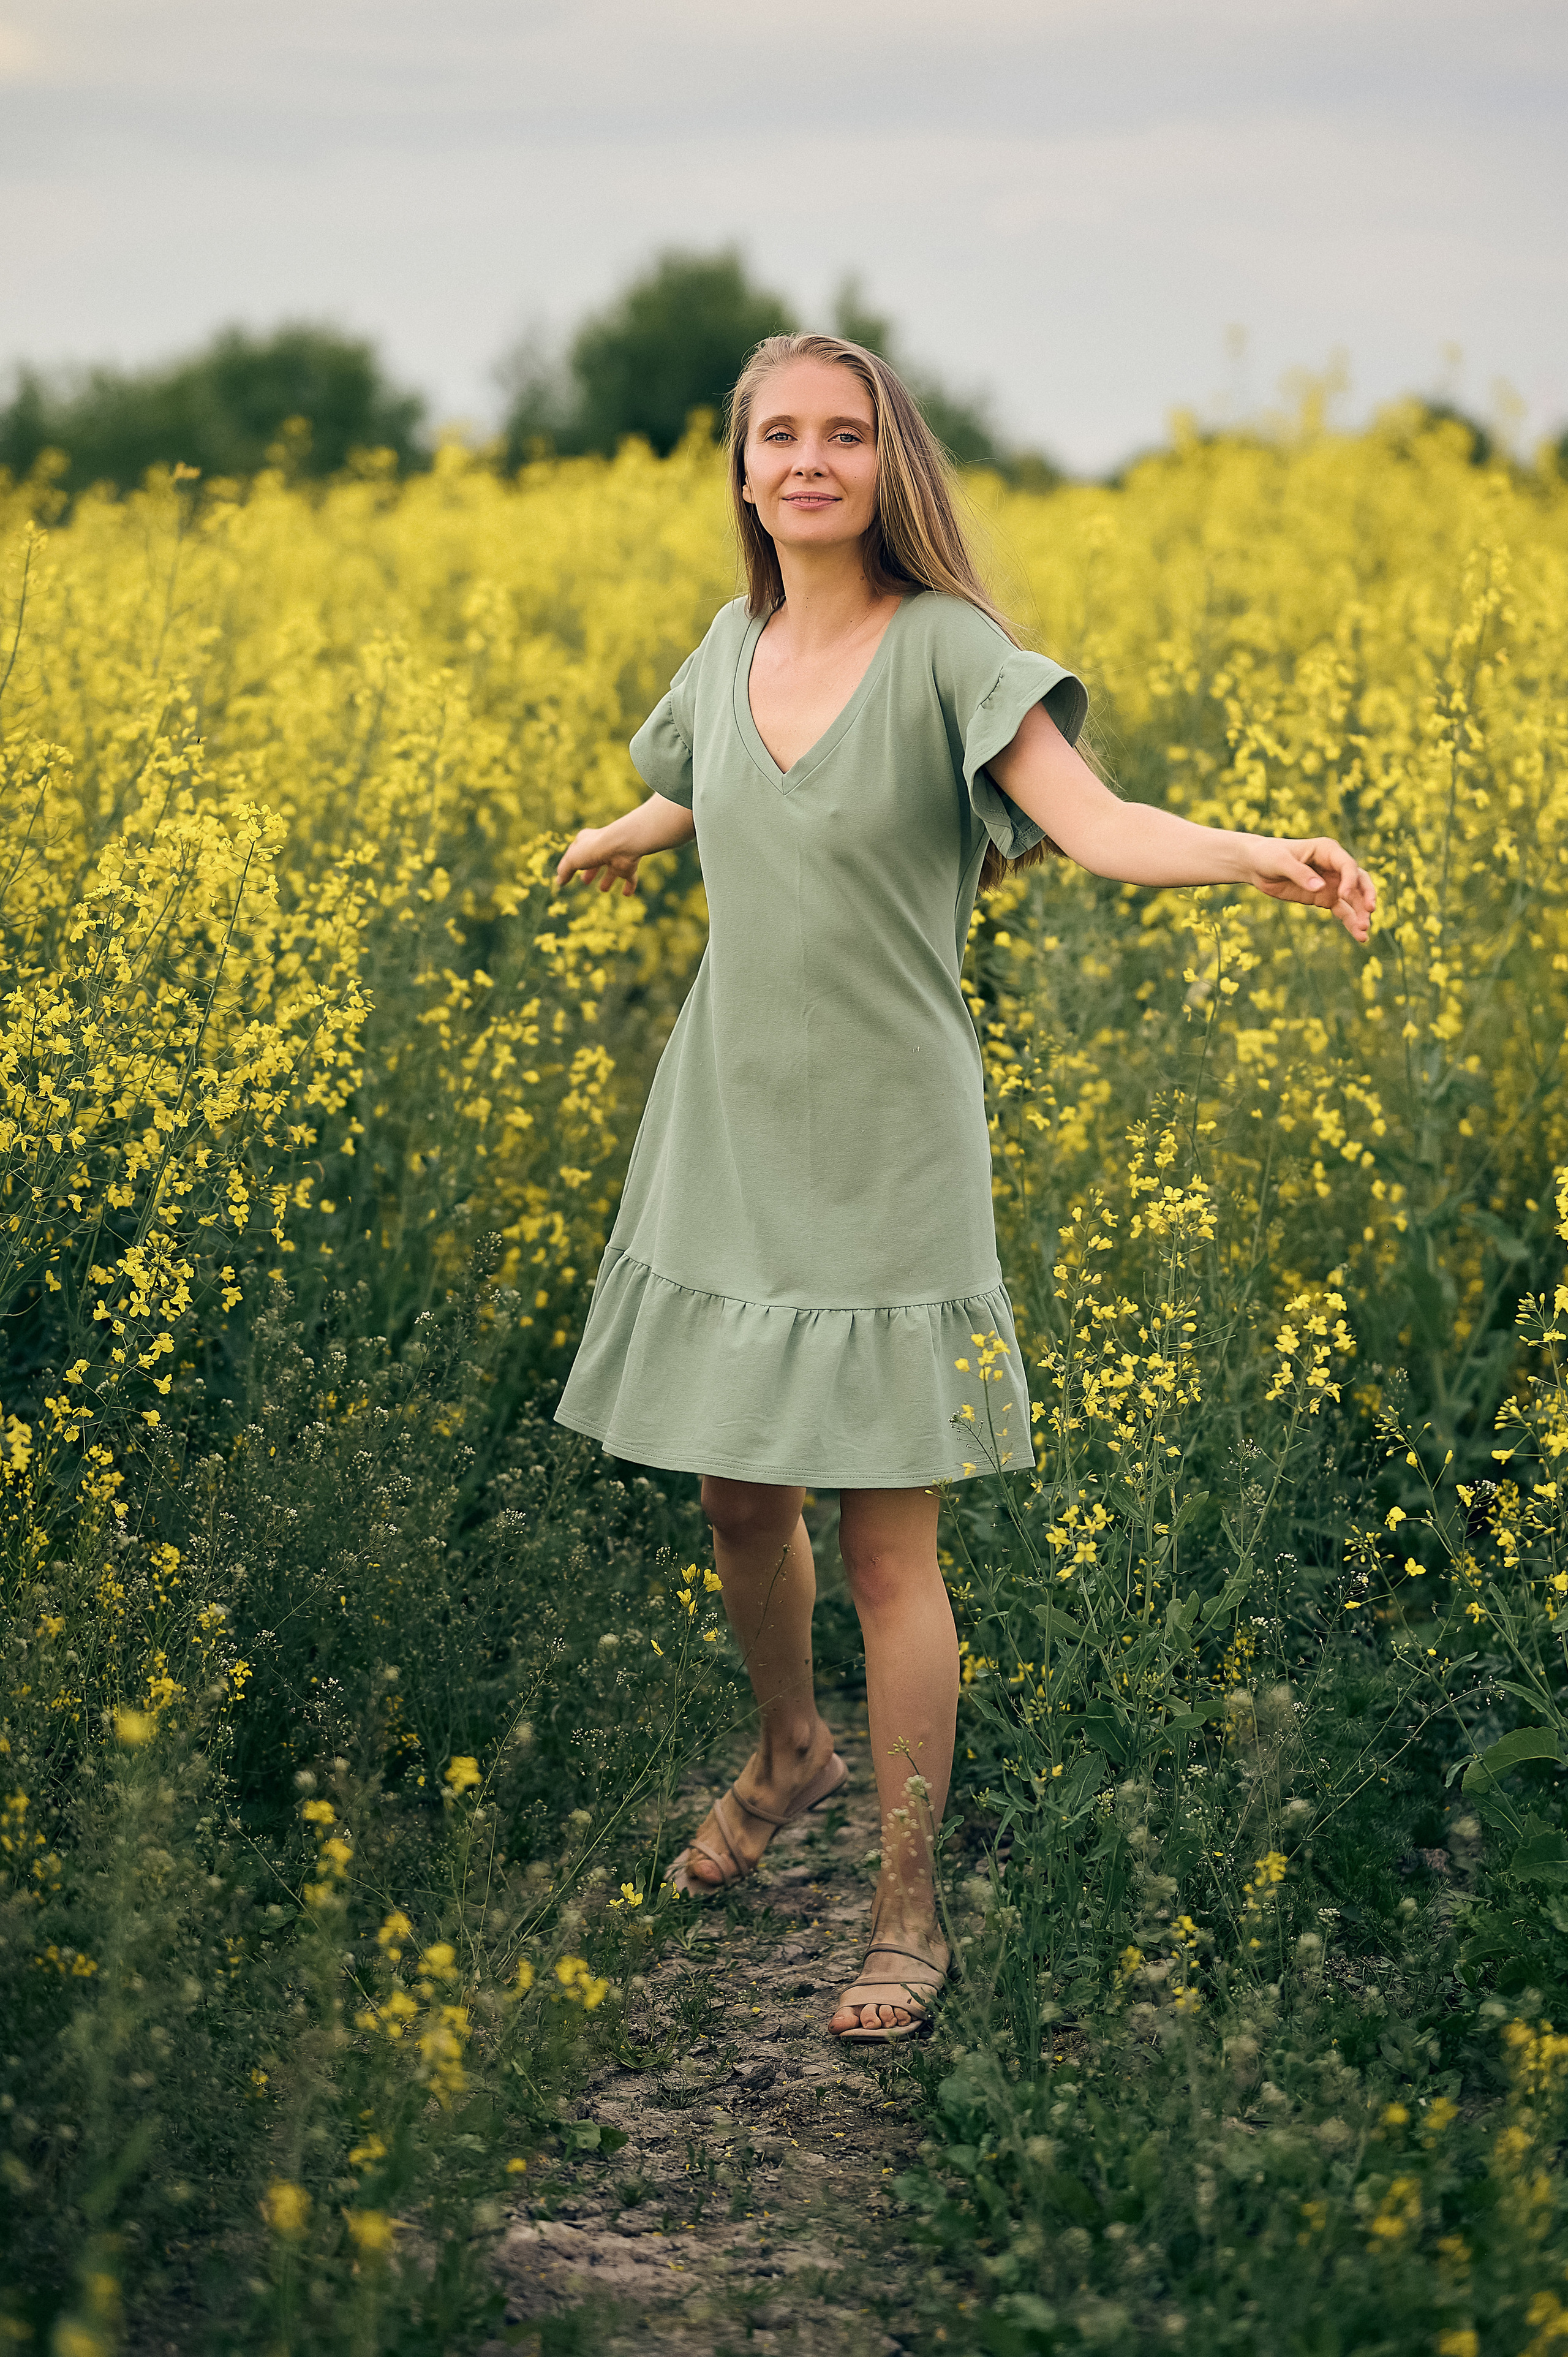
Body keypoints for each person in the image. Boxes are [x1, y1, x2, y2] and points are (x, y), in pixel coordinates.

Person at [552, 333, 1375, 2041]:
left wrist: (1258, 858)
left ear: (887, 463)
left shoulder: (949, 655)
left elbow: (1093, 823)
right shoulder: (732, 645)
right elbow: (708, 775)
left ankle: (907, 1913)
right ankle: (790, 1745)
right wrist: (635, 829)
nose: (809, 460)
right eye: (779, 434)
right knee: (734, 1498)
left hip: (889, 1148)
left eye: (843, 434)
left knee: (886, 1546)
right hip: (728, 1124)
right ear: (745, 467)